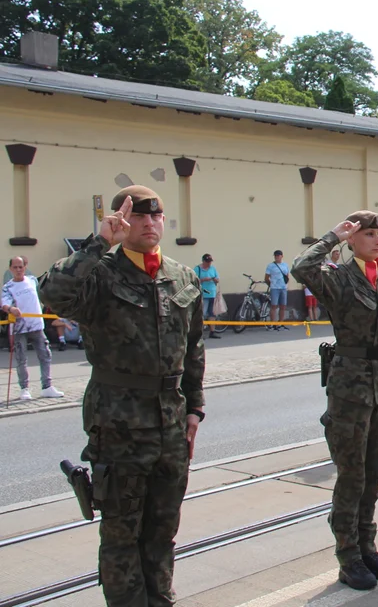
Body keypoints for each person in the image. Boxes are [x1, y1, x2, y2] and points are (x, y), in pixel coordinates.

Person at [39, 186, 204, 606]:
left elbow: (194, 347)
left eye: (156, 216)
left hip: (170, 424)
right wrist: (98, 243)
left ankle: (159, 599)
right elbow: (52, 294)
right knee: (121, 533)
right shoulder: (100, 273)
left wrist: (195, 409)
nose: (149, 223)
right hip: (119, 424)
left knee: (163, 529)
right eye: (138, 217)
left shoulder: (181, 276)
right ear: (121, 222)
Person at [291, 210, 378, 591]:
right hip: (349, 389)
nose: (377, 240)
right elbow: (303, 267)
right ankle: (348, 555)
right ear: (352, 239)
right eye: (368, 234)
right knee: (351, 477)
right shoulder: (338, 279)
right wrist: (333, 235)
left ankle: (367, 545)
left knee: (372, 475)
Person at [3, 256, 63, 400]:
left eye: (21, 267)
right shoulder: (8, 287)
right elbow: (4, 304)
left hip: (36, 325)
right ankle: (24, 388)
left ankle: (47, 386)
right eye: (15, 267)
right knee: (21, 358)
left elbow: (43, 294)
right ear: (10, 269)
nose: (18, 270)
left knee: (45, 355)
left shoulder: (32, 280)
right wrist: (11, 309)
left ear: (25, 267)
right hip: (19, 328)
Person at [194, 253, 220, 339]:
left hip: (212, 293)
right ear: (203, 261)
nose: (209, 263)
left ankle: (212, 332)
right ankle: (199, 333)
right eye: (207, 262)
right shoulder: (197, 269)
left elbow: (217, 279)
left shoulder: (213, 269)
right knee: (203, 313)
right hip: (203, 294)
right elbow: (194, 281)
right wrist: (203, 279)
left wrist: (215, 280)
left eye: (210, 262)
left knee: (212, 313)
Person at [264, 249, 290, 330]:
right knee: (274, 306)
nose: (277, 257)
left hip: (283, 288)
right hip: (275, 288)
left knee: (283, 306)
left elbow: (287, 275)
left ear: (282, 256)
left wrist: (286, 284)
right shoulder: (270, 266)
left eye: (278, 255)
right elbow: (266, 278)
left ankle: (280, 323)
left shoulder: (285, 265)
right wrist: (271, 284)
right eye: (275, 256)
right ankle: (272, 323)